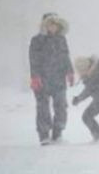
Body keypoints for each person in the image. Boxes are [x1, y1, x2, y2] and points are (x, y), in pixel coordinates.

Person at [29, 13, 74, 145]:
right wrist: (35, 76)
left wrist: (70, 72)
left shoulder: (61, 39)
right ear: (45, 25)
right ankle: (44, 135)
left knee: (61, 106)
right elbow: (33, 59)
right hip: (42, 79)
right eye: (50, 24)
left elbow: (66, 56)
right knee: (43, 107)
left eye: (55, 24)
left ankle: (57, 133)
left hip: (58, 79)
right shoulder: (37, 40)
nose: (53, 27)